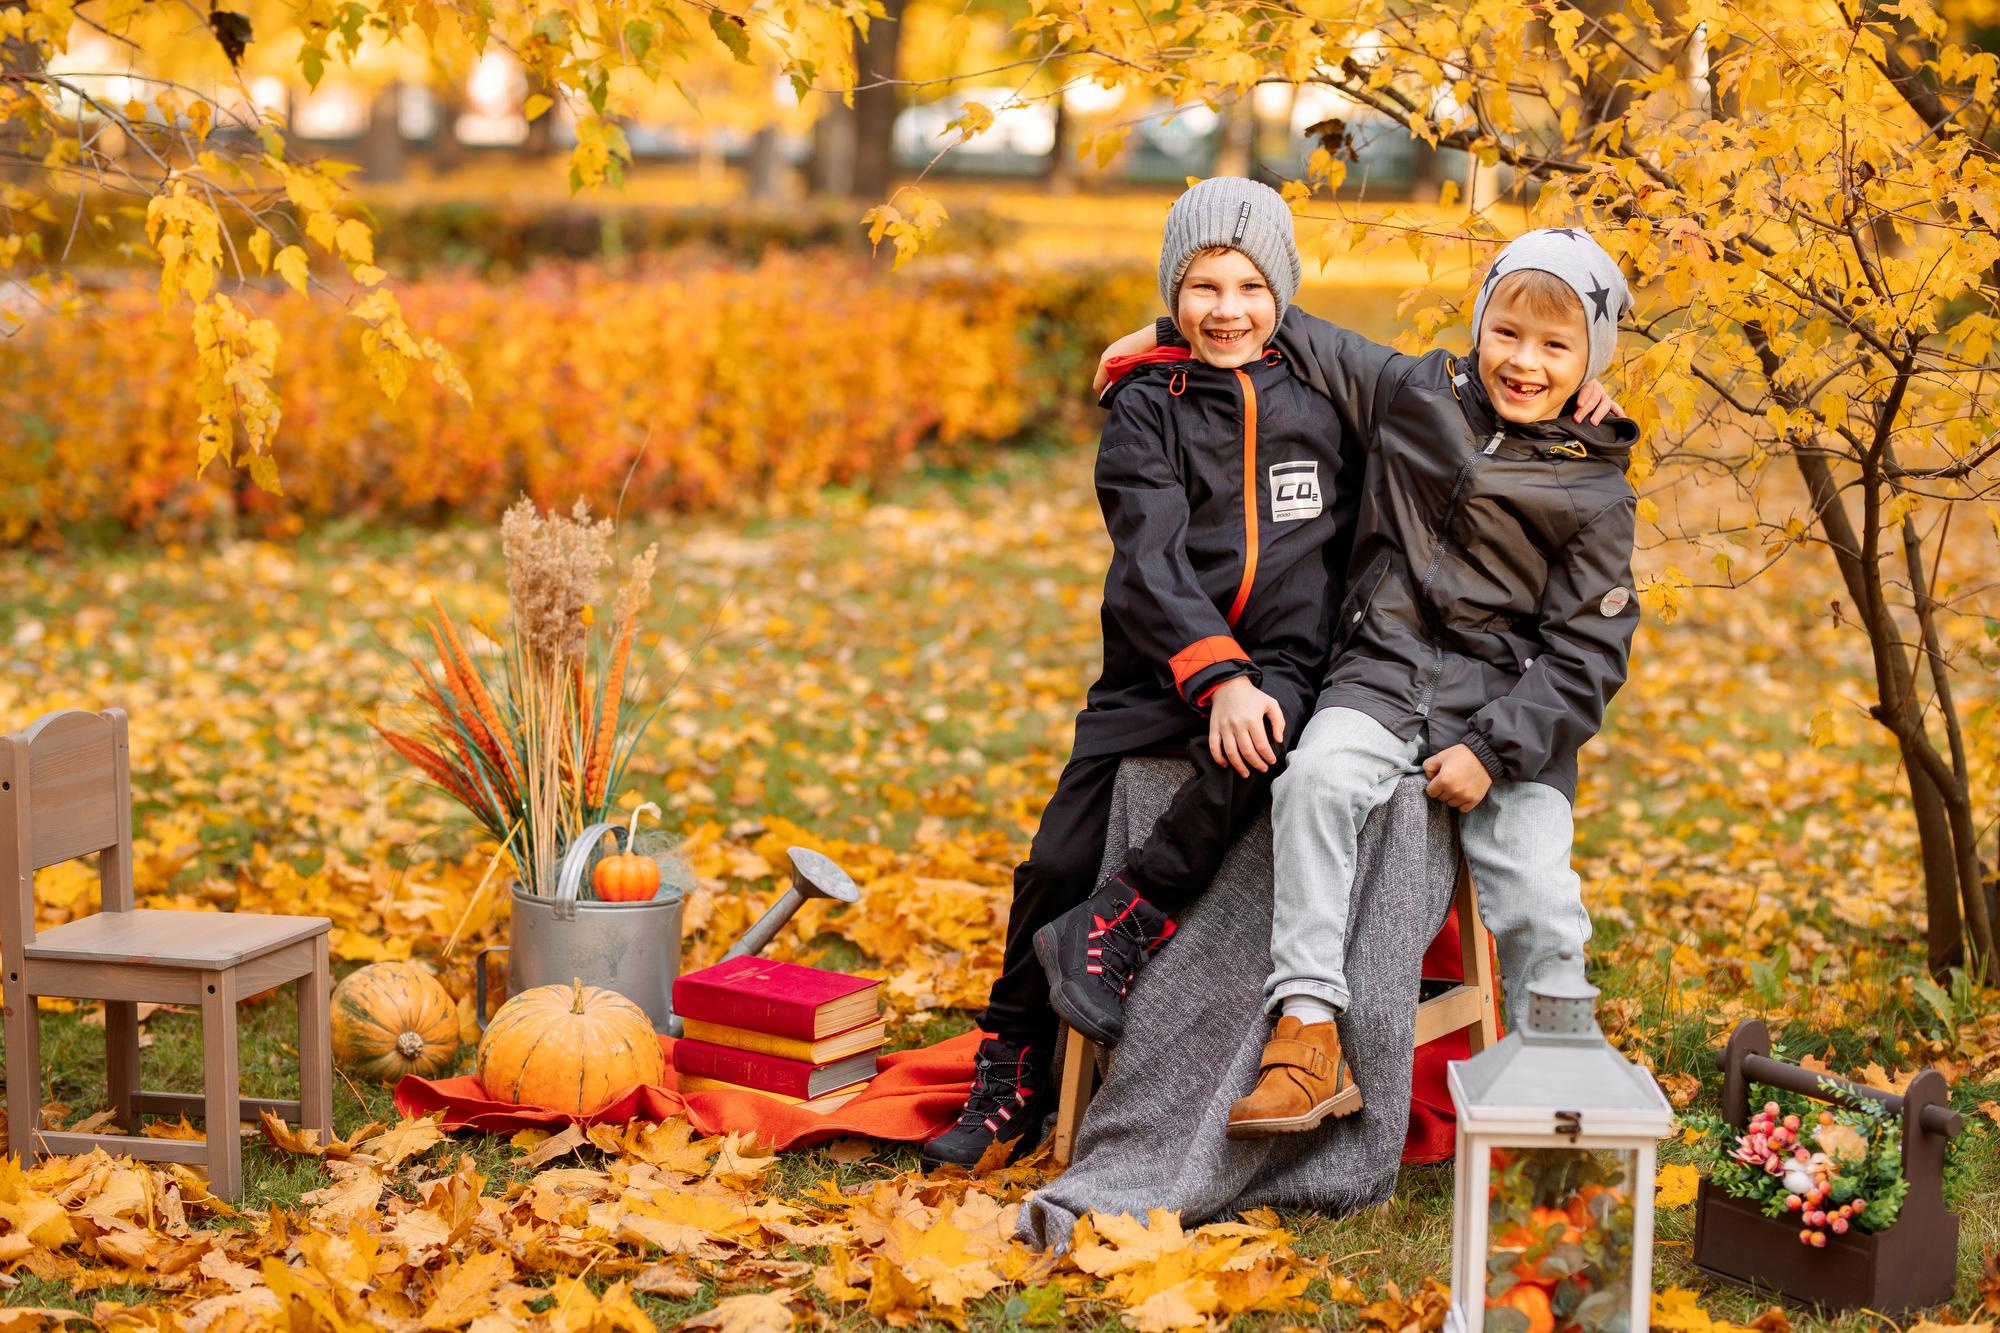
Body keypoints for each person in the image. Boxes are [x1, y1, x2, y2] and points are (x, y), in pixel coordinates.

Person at [1104, 228, 1641, 1139]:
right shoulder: (1413, 392)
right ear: (1479, 324)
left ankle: (1563, 1083)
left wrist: (1493, 749)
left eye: (1557, 347)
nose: (1524, 362)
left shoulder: (1596, 493)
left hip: (1507, 722)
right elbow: (1283, 321)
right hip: (1381, 674)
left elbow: (1588, 653)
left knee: (1540, 890)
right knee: (1313, 781)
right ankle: (1309, 1032)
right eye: (1507, 333)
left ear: (1593, 361)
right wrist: (1160, 332)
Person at [920, 177, 1369, 1169]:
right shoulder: (1143, 407)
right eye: (1200, 285)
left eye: (1249, 285)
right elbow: (1148, 555)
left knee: (1259, 742)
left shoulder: (1326, 397)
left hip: (1289, 664)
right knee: (1052, 860)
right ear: (1172, 290)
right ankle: (1012, 1069)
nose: (1225, 310)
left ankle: (1127, 917)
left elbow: (1444, 396)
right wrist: (1211, 672)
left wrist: (1580, 390)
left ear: (1281, 291)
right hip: (1156, 666)